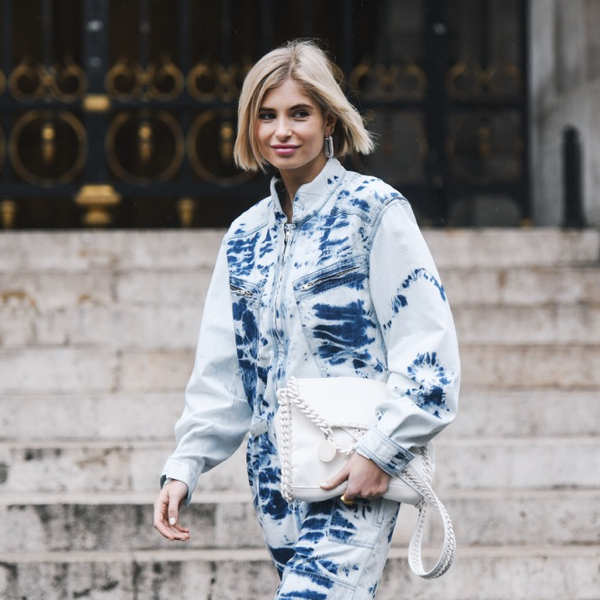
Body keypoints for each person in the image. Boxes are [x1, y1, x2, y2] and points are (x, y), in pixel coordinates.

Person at [153, 39, 460, 599]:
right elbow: (223, 372)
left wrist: (380, 452)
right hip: (276, 480)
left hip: (357, 471)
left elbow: (428, 350)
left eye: (299, 113)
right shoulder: (244, 237)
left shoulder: (374, 211)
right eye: (267, 116)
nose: (282, 131)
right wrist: (185, 464)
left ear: (328, 121)